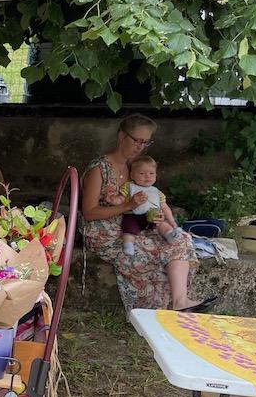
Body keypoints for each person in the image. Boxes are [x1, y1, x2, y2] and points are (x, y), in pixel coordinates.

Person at [82, 114, 214, 313]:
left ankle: (180, 302)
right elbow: (89, 212)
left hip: (136, 224)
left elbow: (148, 201)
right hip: (103, 231)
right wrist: (127, 206)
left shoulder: (135, 167)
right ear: (121, 136)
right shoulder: (99, 168)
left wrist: (155, 215)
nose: (140, 146)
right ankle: (149, 313)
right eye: (137, 140)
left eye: (145, 142)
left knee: (181, 239)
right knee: (152, 250)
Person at [111, 155, 184, 256]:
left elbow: (165, 208)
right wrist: (114, 200)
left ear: (155, 175)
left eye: (151, 173)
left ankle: (170, 234)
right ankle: (128, 244)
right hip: (133, 216)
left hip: (152, 217)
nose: (147, 176)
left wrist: (172, 222)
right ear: (132, 175)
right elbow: (121, 198)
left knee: (162, 224)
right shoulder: (129, 186)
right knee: (128, 227)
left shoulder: (157, 192)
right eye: (142, 173)